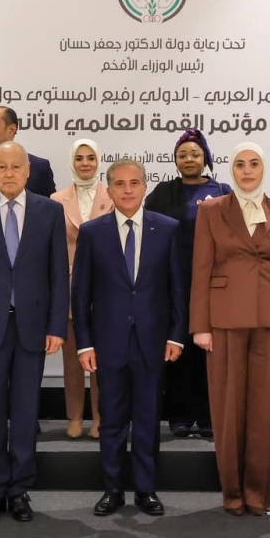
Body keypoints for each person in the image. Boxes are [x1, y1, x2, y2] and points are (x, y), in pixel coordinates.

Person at [0, 141, 69, 524]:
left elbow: (58, 274)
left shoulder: (50, 211)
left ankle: (19, 489)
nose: (8, 173)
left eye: (15, 166)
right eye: (1, 166)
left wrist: (56, 326)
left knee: (24, 413)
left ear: (28, 170)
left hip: (32, 328)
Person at [190, 142, 270, 516]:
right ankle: (232, 493)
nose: (247, 170)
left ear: (263, 169)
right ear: (232, 169)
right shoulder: (211, 210)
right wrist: (200, 325)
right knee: (227, 411)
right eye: (240, 164)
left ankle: (258, 494)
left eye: (254, 163)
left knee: (265, 412)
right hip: (223, 320)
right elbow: (201, 270)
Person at [73, 158, 186, 517]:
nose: (127, 190)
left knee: (149, 420)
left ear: (145, 187)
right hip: (108, 343)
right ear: (108, 189)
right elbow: (81, 294)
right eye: (119, 184)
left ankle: (146, 490)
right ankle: (112, 490)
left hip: (153, 342)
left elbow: (178, 289)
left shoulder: (167, 229)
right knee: (111, 419)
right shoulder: (93, 232)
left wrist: (177, 335)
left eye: (133, 183)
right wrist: (84, 342)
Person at [145, 128, 231, 438]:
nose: (189, 159)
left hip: (213, 283)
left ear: (206, 157)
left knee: (210, 351)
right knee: (176, 347)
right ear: (175, 160)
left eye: (195, 154)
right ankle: (179, 415)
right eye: (182, 155)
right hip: (173, 282)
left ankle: (209, 415)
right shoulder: (162, 193)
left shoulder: (222, 191)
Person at [53, 138, 113, 439]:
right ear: (72, 162)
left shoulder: (113, 195)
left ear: (98, 161)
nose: (85, 163)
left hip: (106, 289)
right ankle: (75, 416)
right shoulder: (56, 199)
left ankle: (101, 418)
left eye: (91, 157)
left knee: (102, 359)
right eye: (79, 158)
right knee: (73, 361)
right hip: (69, 288)